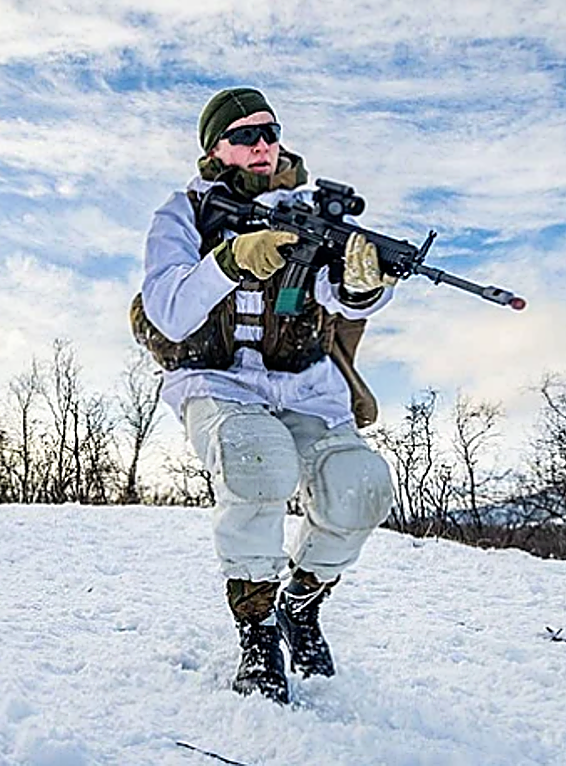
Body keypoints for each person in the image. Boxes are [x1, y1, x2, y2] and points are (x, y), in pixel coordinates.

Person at [133, 87, 396, 704]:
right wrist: (230, 259)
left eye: (270, 133)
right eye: (245, 135)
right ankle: (256, 633)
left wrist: (363, 283)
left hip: (305, 386)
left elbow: (346, 296)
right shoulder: (183, 214)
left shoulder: (311, 210)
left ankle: (299, 605)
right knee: (257, 462)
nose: (262, 146)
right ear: (215, 148)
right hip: (216, 381)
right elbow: (167, 311)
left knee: (360, 489)